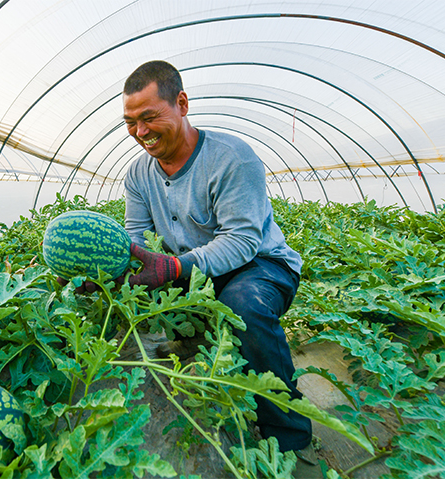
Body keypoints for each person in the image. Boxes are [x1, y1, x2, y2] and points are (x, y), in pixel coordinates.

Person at [121, 60, 320, 477]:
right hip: (194, 268)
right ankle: (195, 344)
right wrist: (111, 267)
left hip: (262, 266)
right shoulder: (138, 173)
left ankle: (288, 430)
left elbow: (243, 241)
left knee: (241, 304)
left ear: (181, 103)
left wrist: (176, 266)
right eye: (130, 122)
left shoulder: (232, 158)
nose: (141, 132)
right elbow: (135, 233)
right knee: (141, 287)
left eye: (149, 117)